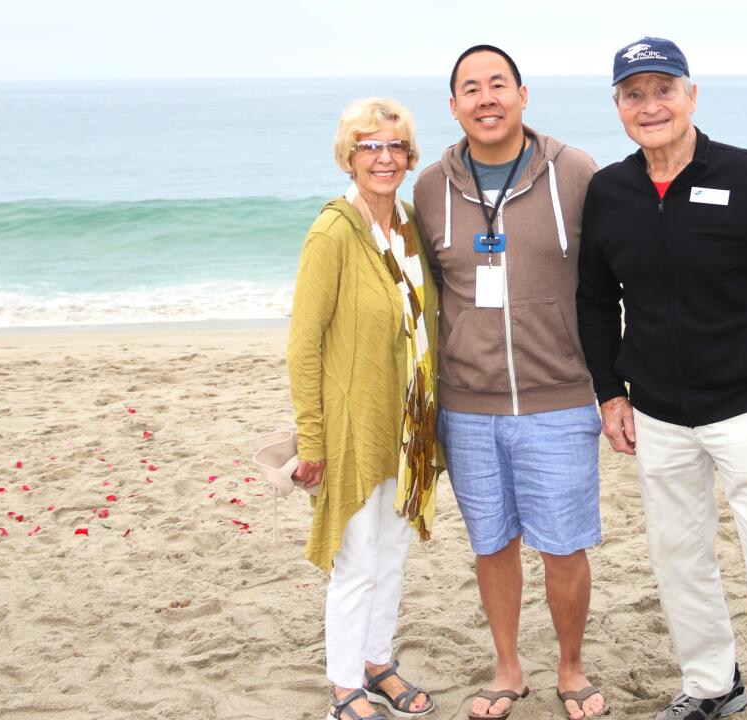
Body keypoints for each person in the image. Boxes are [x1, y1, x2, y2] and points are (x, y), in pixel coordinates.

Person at [576, 37, 747, 720]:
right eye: (633, 95)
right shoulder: (610, 191)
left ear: (691, 95)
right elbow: (594, 298)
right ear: (618, 108)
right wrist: (610, 391)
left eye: (663, 90)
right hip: (659, 413)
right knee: (678, 558)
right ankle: (711, 686)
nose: (650, 105)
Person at [412, 45, 607, 720]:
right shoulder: (430, 186)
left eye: (498, 84)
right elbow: (424, 297)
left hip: (560, 396)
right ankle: (506, 667)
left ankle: (572, 666)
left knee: (563, 545)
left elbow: (615, 276)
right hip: (467, 406)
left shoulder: (576, 171)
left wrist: (618, 383)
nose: (486, 97)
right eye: (471, 87)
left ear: (524, 94)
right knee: (491, 544)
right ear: (454, 105)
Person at [288, 97, 443, 720]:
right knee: (356, 559)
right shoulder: (333, 230)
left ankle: (378, 661)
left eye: (395, 146)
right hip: (354, 425)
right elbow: (304, 344)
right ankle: (344, 684)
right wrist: (311, 438)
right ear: (348, 156)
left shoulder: (406, 222)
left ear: (409, 156)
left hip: (410, 421)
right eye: (369, 146)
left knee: (393, 552)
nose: (384, 158)